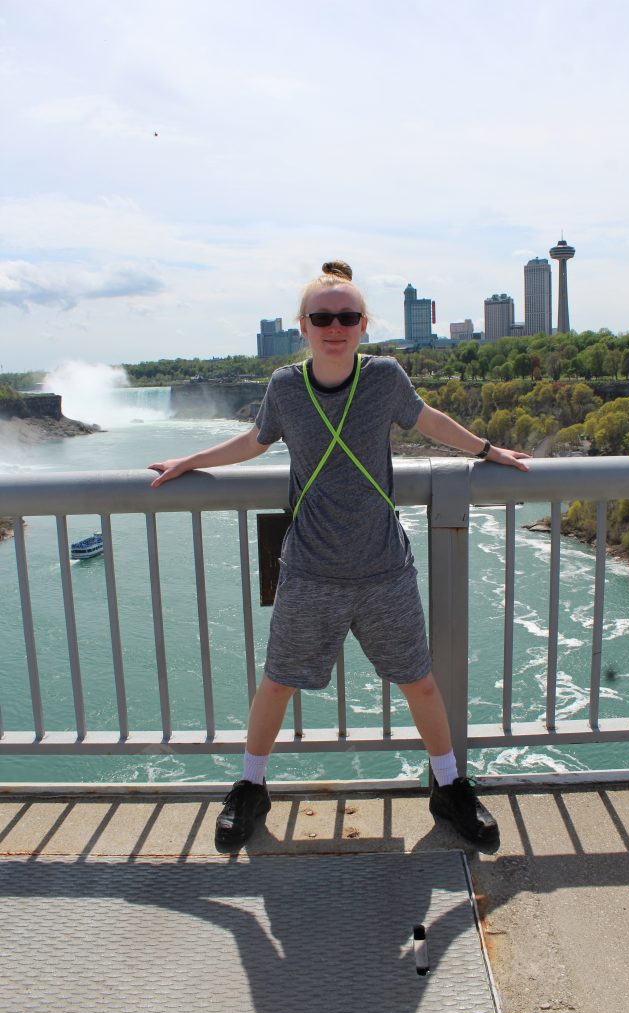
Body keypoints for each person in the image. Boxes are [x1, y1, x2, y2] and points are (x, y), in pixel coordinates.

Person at [150, 260, 529, 850]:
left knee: (421, 684)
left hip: (383, 568)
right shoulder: (284, 388)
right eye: (322, 317)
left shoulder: (384, 379)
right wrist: (191, 461)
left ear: (363, 325)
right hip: (310, 569)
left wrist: (486, 449)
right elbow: (254, 441)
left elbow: (427, 420)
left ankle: (449, 786)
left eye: (346, 316)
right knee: (277, 683)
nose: (335, 326)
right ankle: (250, 787)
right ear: (303, 326)